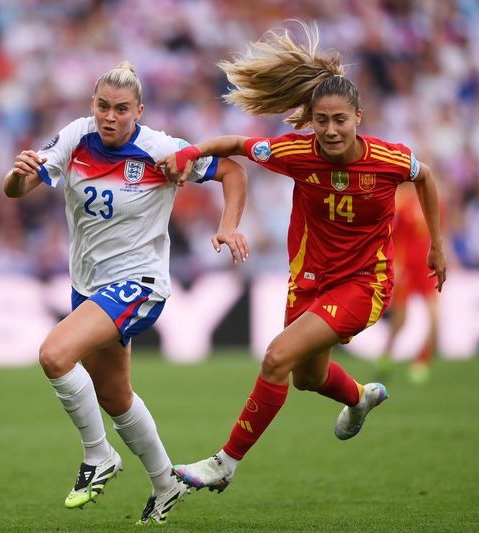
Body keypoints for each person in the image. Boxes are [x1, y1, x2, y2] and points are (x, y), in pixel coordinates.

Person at [156, 21, 447, 493]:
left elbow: (426, 177)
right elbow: (232, 146)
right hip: (309, 280)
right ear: (311, 120)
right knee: (307, 378)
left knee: (276, 357)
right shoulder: (294, 151)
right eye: (321, 121)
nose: (331, 131)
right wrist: (189, 153)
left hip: (364, 284)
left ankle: (223, 464)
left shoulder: (389, 160)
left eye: (340, 120)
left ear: (358, 117)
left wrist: (436, 243)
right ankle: (359, 397)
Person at [3, 61, 249, 524]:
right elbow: (18, 189)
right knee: (114, 396)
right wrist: (19, 174)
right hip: (88, 285)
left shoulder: (161, 149)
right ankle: (165, 482)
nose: (109, 117)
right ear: (92, 106)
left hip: (140, 283)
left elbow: (233, 172)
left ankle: (99, 456)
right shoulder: (76, 137)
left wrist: (228, 224)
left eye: (120, 109)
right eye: (102, 106)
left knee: (55, 355)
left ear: (139, 111)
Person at [375, 185, 441, 384]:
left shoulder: (434, 200)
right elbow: (392, 234)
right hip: (407, 268)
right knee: (400, 320)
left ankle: (421, 361)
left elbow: (439, 232)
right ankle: (385, 356)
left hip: (426, 268)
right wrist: (395, 263)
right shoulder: (401, 202)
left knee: (435, 317)